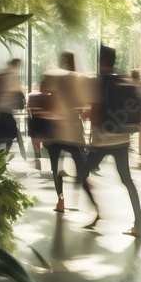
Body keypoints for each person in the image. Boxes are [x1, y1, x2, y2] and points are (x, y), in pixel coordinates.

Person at [86, 45, 141, 238]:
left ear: (100, 61)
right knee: (127, 180)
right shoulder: (123, 79)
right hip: (122, 138)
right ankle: (139, 223)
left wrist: (92, 138)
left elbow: (95, 112)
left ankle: (98, 212)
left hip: (103, 140)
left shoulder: (100, 82)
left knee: (81, 173)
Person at [39, 51, 92, 214]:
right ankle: (87, 204)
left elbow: (44, 91)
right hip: (73, 129)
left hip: (57, 129)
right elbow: (85, 104)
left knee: (56, 167)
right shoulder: (77, 79)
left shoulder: (57, 77)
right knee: (79, 167)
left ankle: (61, 200)